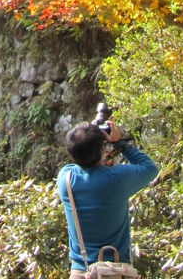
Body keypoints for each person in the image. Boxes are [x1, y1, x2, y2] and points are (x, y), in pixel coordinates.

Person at [58, 119, 158, 278]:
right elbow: (150, 168)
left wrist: (91, 143)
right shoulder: (117, 179)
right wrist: (119, 143)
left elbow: (82, 164)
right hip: (117, 271)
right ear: (102, 148)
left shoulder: (66, 179)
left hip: (81, 272)